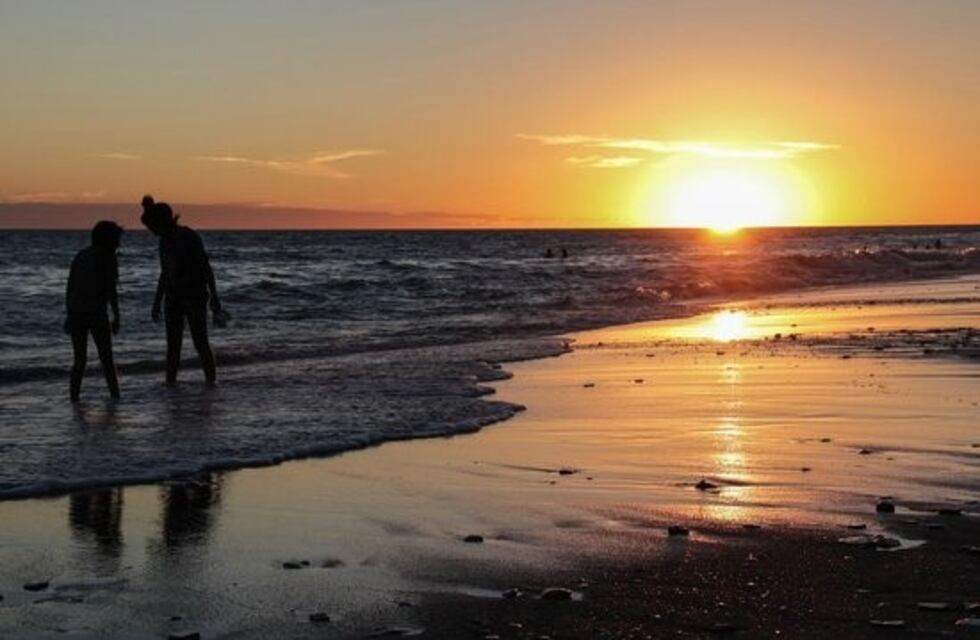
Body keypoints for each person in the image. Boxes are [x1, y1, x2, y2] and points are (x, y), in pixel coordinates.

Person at [140, 195, 223, 387]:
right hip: (172, 298)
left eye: (151, 227)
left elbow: (205, 267)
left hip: (194, 295)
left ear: (160, 222)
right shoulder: (163, 242)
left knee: (200, 342)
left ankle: (211, 383)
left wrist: (215, 297)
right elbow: (164, 273)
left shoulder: (189, 236)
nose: (151, 232)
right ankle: (170, 384)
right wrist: (156, 301)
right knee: (173, 347)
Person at [65, 221, 123, 401]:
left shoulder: (81, 255)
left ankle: (74, 398)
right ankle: (115, 396)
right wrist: (117, 315)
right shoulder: (108, 258)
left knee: (79, 360)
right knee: (106, 358)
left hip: (76, 311)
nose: (118, 244)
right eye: (116, 240)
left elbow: (70, 286)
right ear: (108, 240)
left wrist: (68, 312)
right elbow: (110, 289)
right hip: (96, 312)